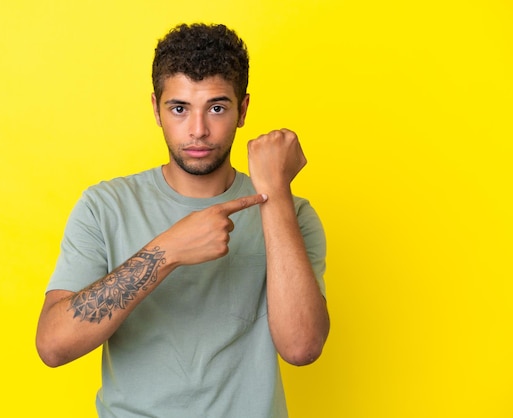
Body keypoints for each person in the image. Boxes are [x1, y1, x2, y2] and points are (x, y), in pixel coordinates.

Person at [36, 23, 330, 417]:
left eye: (217, 108)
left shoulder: (292, 213)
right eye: (179, 108)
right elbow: (53, 346)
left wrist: (275, 193)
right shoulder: (103, 206)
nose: (198, 130)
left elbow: (301, 347)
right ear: (156, 109)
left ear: (242, 110)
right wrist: (168, 250)